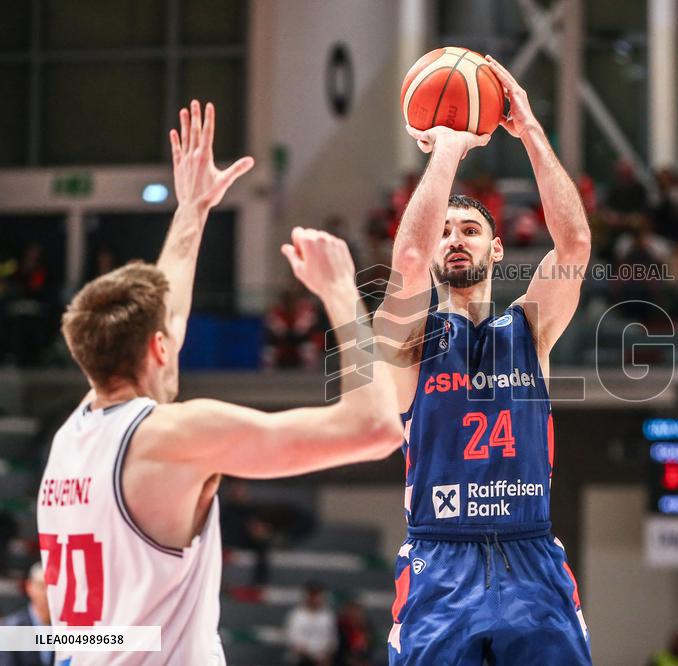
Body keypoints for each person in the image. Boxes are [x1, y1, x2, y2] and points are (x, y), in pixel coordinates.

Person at [36, 100, 402, 665]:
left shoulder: (71, 437)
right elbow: (376, 429)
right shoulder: (172, 434)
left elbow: (167, 316)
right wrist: (340, 293)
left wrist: (193, 209)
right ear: (160, 348)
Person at [376, 55, 591, 664]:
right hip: (439, 559)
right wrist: (448, 147)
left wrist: (530, 130)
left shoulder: (531, 329)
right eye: (444, 231)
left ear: (497, 248)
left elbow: (574, 243)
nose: (454, 239)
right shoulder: (409, 339)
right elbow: (408, 260)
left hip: (532, 556)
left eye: (469, 230)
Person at [0, 563, 52, 666]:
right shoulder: (9, 629)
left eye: (52, 588)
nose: (47, 594)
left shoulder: (68, 628)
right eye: (42, 587)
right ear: (29, 587)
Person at [286, 582, 337, 666]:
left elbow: (333, 639)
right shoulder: (296, 615)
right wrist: (308, 655)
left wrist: (326, 655)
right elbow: (292, 638)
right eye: (312, 594)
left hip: (323, 658)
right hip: (302, 658)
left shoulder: (328, 615)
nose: (314, 598)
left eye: (317, 595)